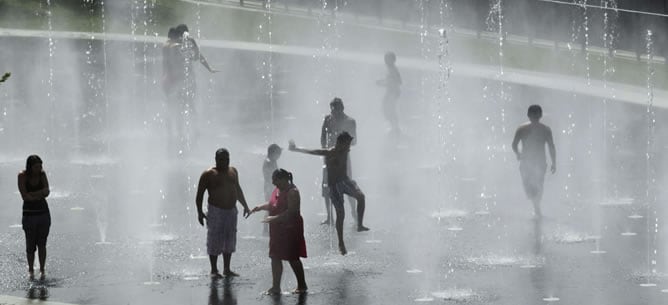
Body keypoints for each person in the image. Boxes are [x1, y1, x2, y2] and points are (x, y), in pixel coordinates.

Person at [289, 132, 369, 255]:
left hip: (345, 181)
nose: (349, 147)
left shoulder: (345, 151)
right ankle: (341, 242)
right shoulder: (330, 152)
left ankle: (360, 224)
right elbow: (313, 151)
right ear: (340, 143)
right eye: (347, 144)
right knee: (340, 214)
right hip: (334, 185)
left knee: (361, 197)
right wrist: (295, 149)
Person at [195, 148, 251, 277]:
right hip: (216, 211)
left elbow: (237, 189)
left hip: (231, 211)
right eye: (221, 159)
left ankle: (227, 268)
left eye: (227, 159)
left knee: (229, 239)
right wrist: (199, 212)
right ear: (215, 159)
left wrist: (245, 206)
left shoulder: (233, 171)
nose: (224, 162)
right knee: (214, 238)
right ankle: (214, 270)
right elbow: (199, 195)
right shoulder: (208, 174)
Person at [250, 169, 307, 295]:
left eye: (276, 181)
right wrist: (259, 208)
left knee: (293, 257)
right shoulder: (278, 189)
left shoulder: (293, 192)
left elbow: (292, 212)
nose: (274, 183)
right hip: (277, 229)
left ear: (284, 179)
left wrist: (275, 218)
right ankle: (276, 287)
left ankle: (302, 285)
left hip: (291, 228)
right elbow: (273, 204)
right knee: (275, 256)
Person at [511, 105, 556, 217]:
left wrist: (518, 153)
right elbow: (514, 144)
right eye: (534, 114)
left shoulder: (527, 129)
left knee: (537, 184)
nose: (535, 117)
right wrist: (518, 153)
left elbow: (551, 146)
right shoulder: (542, 129)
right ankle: (536, 206)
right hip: (531, 161)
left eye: (536, 114)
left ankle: (536, 207)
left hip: (533, 161)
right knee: (533, 184)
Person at [320, 97, 357, 226]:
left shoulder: (350, 122)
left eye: (336, 110)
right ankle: (329, 216)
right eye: (332, 110)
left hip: (343, 159)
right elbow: (322, 139)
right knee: (327, 187)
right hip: (330, 158)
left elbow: (355, 141)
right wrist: (327, 151)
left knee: (347, 185)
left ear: (342, 109)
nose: (333, 113)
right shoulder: (327, 119)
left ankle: (354, 212)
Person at [18, 155, 51, 280]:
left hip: (43, 214)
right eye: (37, 166)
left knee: (42, 244)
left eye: (40, 166)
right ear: (30, 167)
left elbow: (47, 191)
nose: (39, 168)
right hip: (29, 216)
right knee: (30, 245)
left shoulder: (42, 175)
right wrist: (39, 194)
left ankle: (42, 269)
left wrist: (33, 194)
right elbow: (25, 196)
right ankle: (31, 270)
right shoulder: (22, 176)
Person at [376, 51, 402, 134]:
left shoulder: (393, 69)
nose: (385, 61)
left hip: (393, 93)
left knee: (389, 109)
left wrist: (383, 84)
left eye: (387, 59)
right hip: (391, 92)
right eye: (385, 59)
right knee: (387, 109)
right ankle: (394, 127)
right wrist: (382, 81)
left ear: (392, 60)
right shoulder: (391, 69)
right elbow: (390, 80)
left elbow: (398, 81)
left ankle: (395, 128)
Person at [262, 144, 282, 234]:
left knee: (273, 207)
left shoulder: (272, 161)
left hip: (272, 187)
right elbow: (269, 176)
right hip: (270, 188)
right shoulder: (269, 162)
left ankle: (269, 228)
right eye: (279, 153)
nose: (280, 155)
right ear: (273, 153)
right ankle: (266, 229)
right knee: (270, 207)